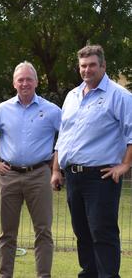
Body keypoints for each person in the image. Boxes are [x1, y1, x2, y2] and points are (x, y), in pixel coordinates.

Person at [51, 44, 132, 278]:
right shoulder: (72, 96)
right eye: (83, 66)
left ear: (103, 66)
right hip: (73, 177)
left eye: (92, 65)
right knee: (82, 233)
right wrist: (56, 170)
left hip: (101, 177)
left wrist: (125, 165)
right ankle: (89, 274)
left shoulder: (120, 96)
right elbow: (63, 136)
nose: (87, 70)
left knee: (102, 233)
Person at [0, 61, 61, 278]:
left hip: (39, 175)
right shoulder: (2, 109)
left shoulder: (52, 111)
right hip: (9, 175)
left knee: (43, 231)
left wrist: (56, 168)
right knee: (7, 233)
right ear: (14, 83)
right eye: (20, 79)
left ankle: (44, 275)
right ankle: (5, 275)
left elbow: (67, 138)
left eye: (29, 79)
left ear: (36, 82)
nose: (25, 83)